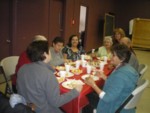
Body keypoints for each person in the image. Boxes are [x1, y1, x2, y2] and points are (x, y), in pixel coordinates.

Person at [17, 41, 83, 113]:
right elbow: (56, 102)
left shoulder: (22, 68)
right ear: (45, 54)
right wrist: (75, 91)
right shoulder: (48, 74)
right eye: (49, 50)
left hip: (26, 108)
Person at [84, 44, 139, 113]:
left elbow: (107, 98)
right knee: (90, 94)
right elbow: (116, 84)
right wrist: (104, 77)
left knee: (85, 104)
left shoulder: (120, 76)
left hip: (113, 107)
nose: (111, 57)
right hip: (120, 100)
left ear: (122, 58)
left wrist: (93, 85)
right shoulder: (128, 68)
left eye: (113, 55)